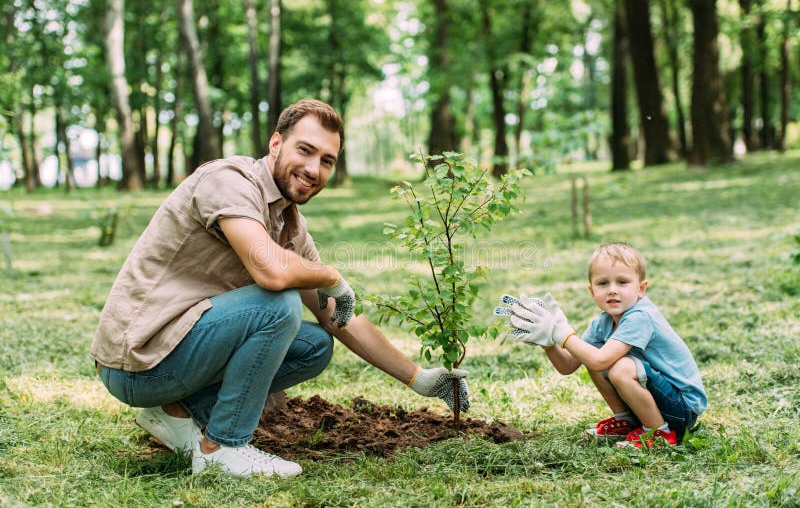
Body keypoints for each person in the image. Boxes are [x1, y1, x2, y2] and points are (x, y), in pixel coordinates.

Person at [92, 99, 469, 478]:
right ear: (276, 144)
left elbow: (340, 319)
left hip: (176, 352)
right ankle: (221, 448)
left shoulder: (288, 223)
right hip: (138, 363)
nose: (313, 169)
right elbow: (271, 272)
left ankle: (175, 413)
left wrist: (419, 378)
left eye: (326, 160)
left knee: (315, 347)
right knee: (279, 304)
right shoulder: (228, 181)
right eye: (305, 150)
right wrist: (331, 277)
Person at [495, 242, 706, 448]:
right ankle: (627, 422)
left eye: (622, 282)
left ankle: (658, 433)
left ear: (641, 289)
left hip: (681, 408)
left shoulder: (641, 316)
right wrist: (548, 341)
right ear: (592, 290)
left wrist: (562, 332)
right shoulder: (602, 323)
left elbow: (600, 361)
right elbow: (568, 366)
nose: (612, 290)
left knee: (618, 366)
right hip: (657, 403)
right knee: (593, 353)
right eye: (603, 283)